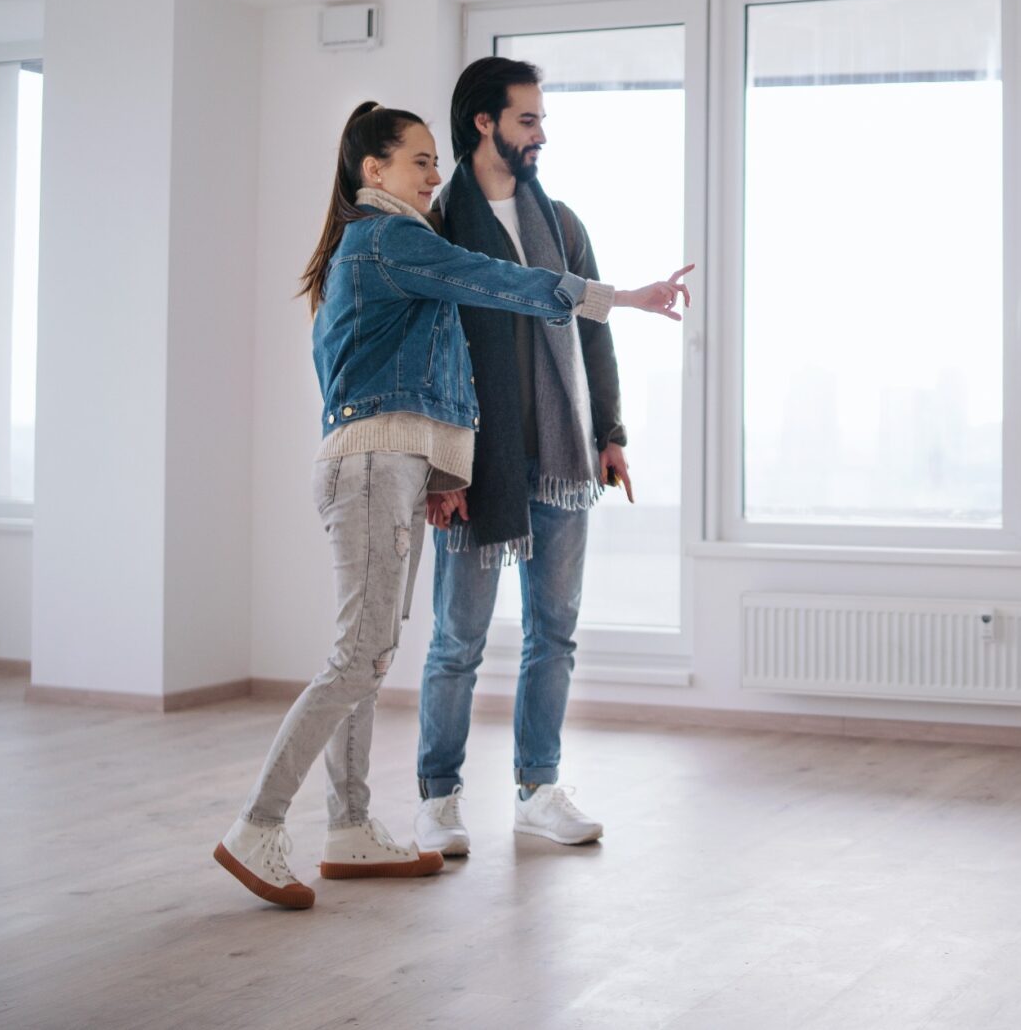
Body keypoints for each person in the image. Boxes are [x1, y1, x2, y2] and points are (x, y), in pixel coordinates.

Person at [214, 101, 690, 910]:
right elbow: (496, 283)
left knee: (368, 658)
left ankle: (350, 829)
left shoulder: (379, 247)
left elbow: (415, 376)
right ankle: (256, 827)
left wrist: (438, 473)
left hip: (386, 471)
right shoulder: (389, 239)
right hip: (369, 472)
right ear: (374, 171)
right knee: (355, 659)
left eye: (438, 161)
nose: (436, 176)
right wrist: (618, 298)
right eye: (419, 161)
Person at [414, 57, 680, 853]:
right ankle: (437, 797)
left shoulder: (561, 223)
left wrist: (611, 435)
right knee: (457, 639)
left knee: (554, 633)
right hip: (474, 465)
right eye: (527, 120)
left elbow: (591, 332)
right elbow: (427, 356)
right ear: (484, 123)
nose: (539, 137)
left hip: (560, 461)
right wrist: (439, 470)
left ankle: (538, 786)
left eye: (541, 122)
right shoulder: (436, 228)